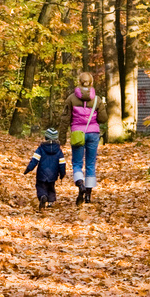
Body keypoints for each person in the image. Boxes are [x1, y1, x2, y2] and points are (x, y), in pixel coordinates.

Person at [58, 72, 108, 205]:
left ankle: (80, 185)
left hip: (77, 133)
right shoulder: (97, 99)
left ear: (79, 82)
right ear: (91, 83)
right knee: (90, 163)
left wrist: (61, 139)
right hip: (93, 133)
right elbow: (103, 118)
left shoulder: (71, 99)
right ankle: (88, 196)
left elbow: (65, 119)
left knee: (77, 163)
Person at [25, 128, 66, 210]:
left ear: (46, 137)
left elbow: (35, 159)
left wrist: (28, 169)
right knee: (51, 187)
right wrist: (62, 173)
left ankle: (42, 196)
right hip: (53, 173)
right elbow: (62, 163)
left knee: (40, 186)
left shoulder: (41, 148)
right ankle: (50, 201)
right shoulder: (58, 150)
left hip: (41, 173)